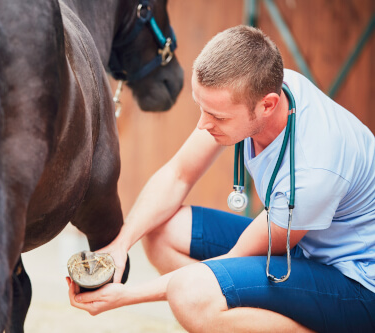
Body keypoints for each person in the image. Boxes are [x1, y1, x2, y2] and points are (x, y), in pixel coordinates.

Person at [66, 25, 375, 332]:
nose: (203, 125)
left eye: (218, 117)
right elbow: (177, 174)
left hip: (356, 285)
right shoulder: (271, 86)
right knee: (162, 232)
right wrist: (120, 245)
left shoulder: (313, 172)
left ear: (267, 105)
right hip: (306, 246)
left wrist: (125, 296)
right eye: (201, 108)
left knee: (192, 296)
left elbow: (232, 262)